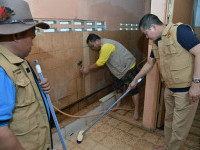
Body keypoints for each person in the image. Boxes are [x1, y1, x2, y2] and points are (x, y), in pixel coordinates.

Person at [128, 14, 200, 150]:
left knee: (179, 128)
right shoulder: (156, 42)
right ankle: (169, 147)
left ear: (153, 27)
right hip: (169, 88)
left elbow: (199, 52)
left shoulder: (179, 31)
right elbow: (149, 63)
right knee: (169, 122)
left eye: (146, 33)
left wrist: (196, 84)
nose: (146, 37)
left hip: (186, 91)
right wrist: (134, 80)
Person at [0, 0, 53, 149]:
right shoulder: (1, 70)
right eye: (32, 37)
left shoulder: (19, 61)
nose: (33, 43)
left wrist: (40, 88)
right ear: (16, 36)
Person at [80, 33, 140, 120]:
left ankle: (136, 110)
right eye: (91, 47)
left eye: (93, 46)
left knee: (133, 89)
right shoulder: (102, 46)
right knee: (117, 87)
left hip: (128, 67)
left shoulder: (106, 46)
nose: (93, 48)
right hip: (118, 71)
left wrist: (87, 69)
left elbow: (100, 62)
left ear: (97, 41)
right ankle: (118, 104)